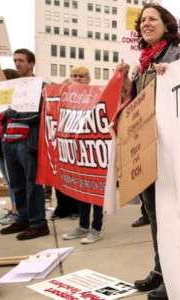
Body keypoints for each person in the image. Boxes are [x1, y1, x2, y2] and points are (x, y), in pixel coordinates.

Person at [115, 4, 180, 300]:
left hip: (171, 151)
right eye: (142, 20)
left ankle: (175, 277)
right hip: (145, 151)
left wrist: (172, 75)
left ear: (165, 24)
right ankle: (160, 269)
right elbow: (135, 105)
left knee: (172, 215)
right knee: (154, 214)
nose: (146, 24)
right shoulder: (142, 63)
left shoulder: (177, 56)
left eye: (152, 19)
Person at [0, 48, 49, 240]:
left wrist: (14, 114)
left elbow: (40, 114)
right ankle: (23, 219)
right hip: (9, 141)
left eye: (21, 61)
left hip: (27, 142)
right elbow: (2, 106)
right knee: (16, 184)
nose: (17, 64)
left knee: (32, 185)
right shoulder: (12, 86)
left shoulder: (40, 86)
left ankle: (38, 223)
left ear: (31, 63)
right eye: (15, 60)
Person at [60, 66, 105, 244]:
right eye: (74, 76)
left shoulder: (97, 95)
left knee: (97, 192)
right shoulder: (66, 98)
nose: (77, 79)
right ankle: (83, 225)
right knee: (82, 191)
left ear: (88, 79)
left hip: (94, 150)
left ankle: (96, 228)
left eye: (81, 76)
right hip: (76, 151)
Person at [0, 63, 21, 225]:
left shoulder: (14, 98)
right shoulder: (1, 98)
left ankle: (17, 210)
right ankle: (14, 209)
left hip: (8, 140)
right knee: (8, 180)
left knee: (13, 179)